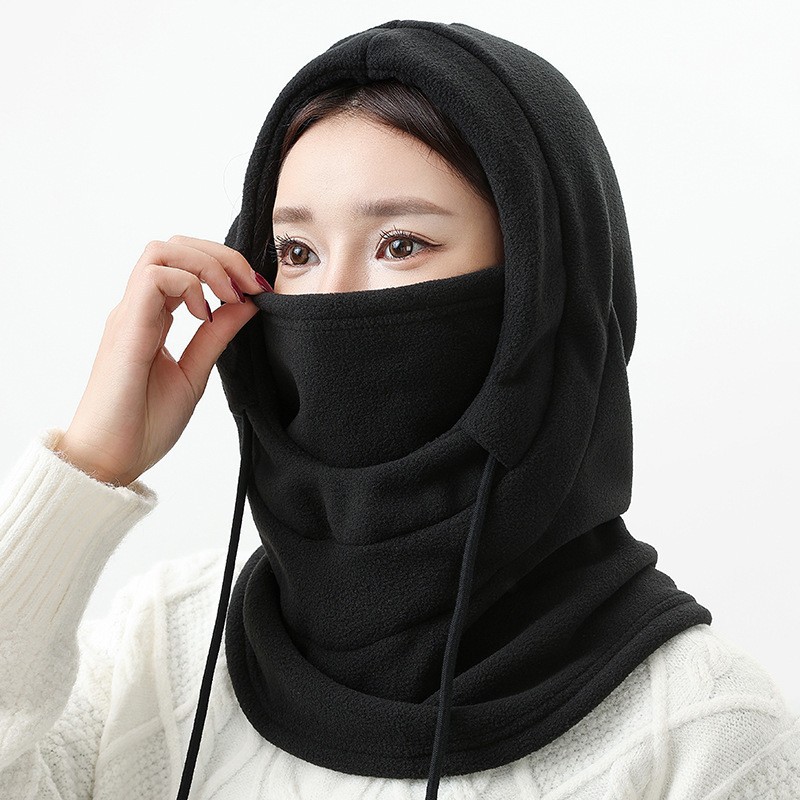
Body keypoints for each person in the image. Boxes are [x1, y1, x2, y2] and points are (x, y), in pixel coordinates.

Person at [1, 17, 798, 800]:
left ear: (541, 295)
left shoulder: (701, 730)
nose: (333, 300)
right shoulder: (163, 645)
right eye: (297, 253)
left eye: (402, 245)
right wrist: (89, 466)